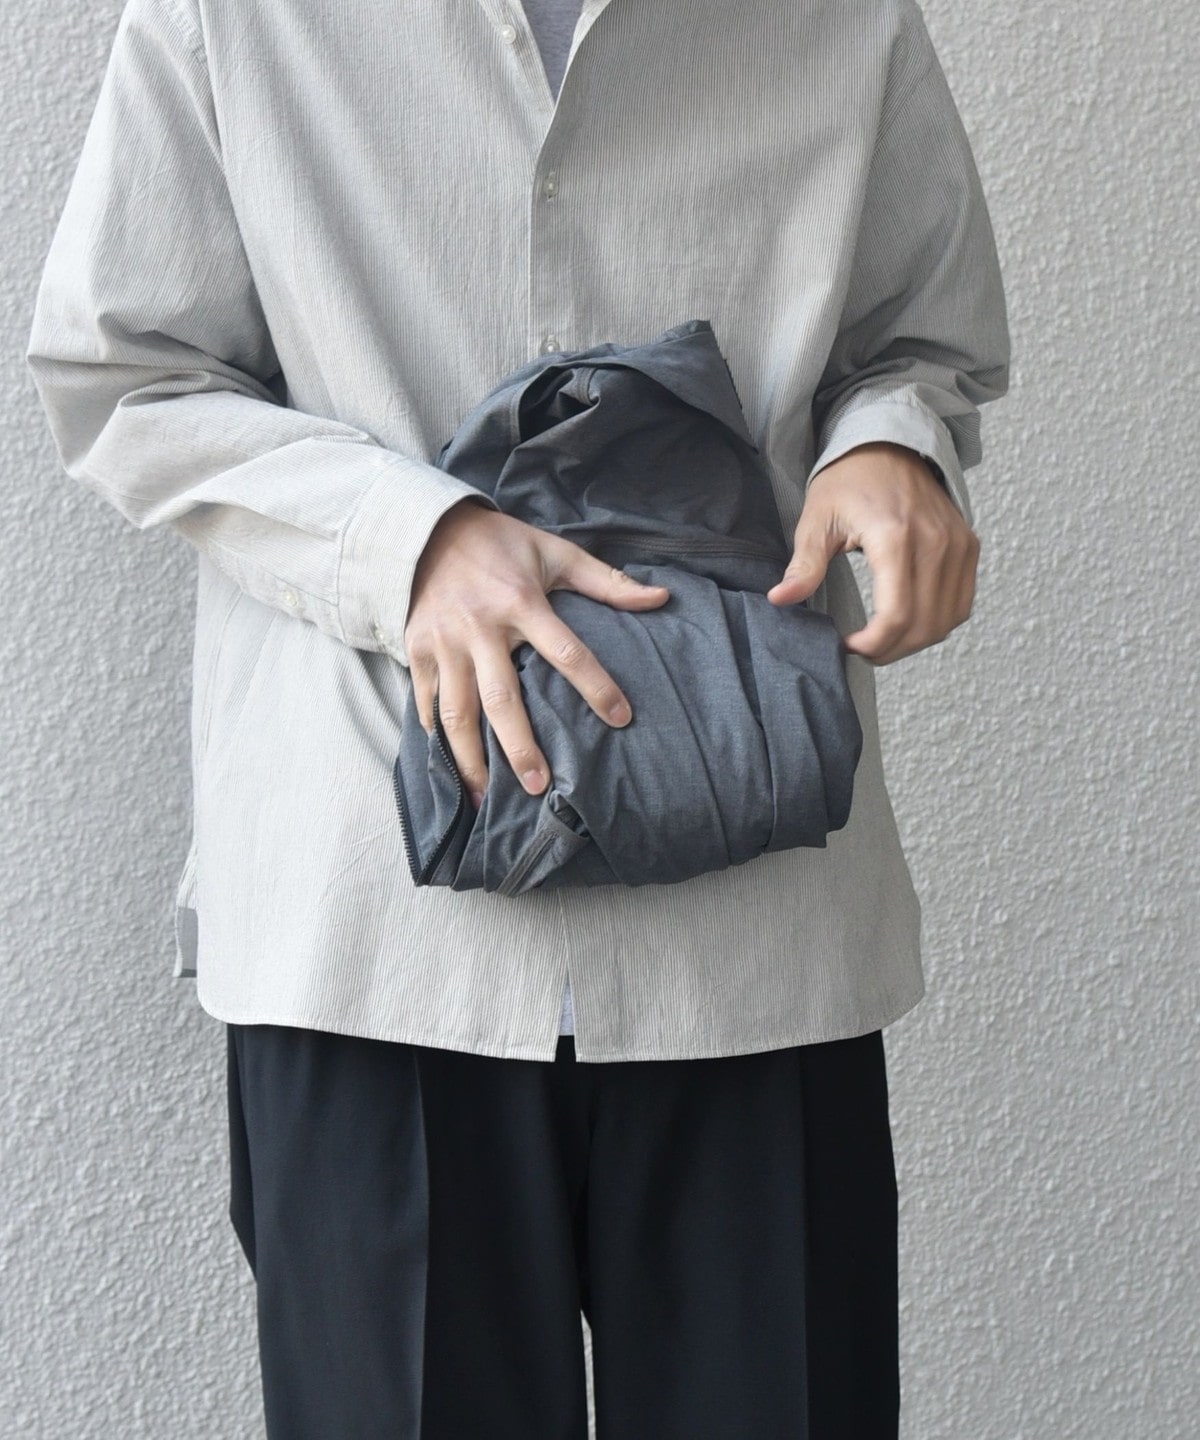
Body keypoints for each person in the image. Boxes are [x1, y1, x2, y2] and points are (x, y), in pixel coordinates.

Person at [25, 0, 1011, 1434]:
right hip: (375, 933)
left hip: (754, 934)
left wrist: (892, 449)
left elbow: (919, 342)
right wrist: (410, 540)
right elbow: (127, 370)